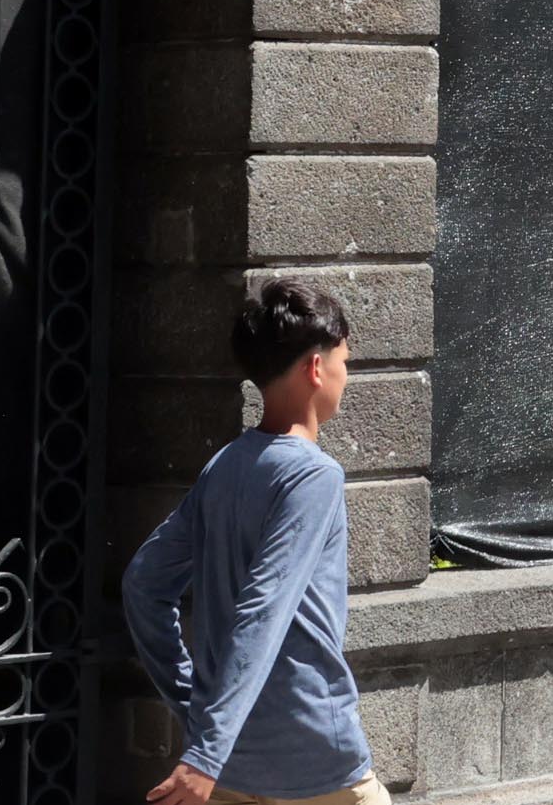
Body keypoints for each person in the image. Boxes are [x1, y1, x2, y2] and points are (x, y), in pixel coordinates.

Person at [126, 279, 383, 805]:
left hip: (230, 769)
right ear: (317, 368)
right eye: (345, 361)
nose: (346, 376)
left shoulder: (225, 465)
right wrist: (205, 751)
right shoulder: (315, 476)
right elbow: (264, 610)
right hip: (313, 762)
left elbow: (143, 585)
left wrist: (196, 710)